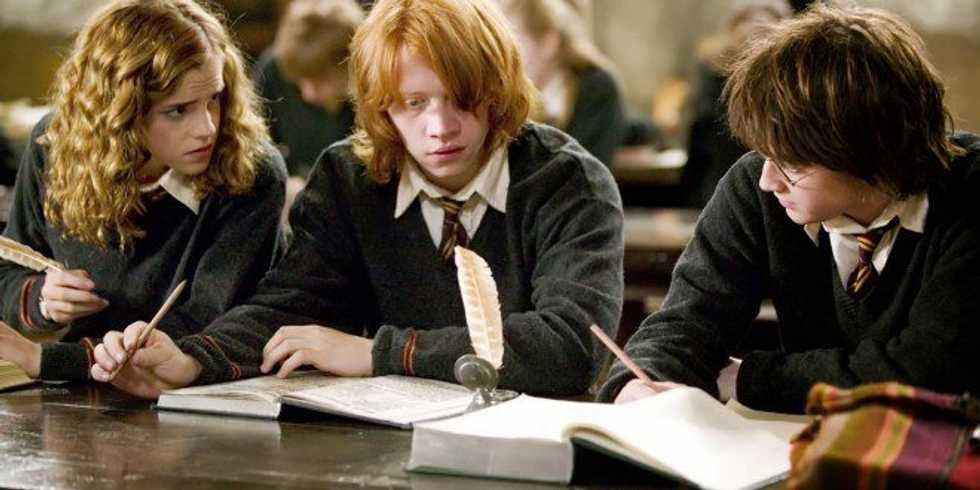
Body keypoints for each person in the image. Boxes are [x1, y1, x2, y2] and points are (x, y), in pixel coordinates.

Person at [90, 0, 624, 399]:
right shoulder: (350, 178)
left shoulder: (568, 181)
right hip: (389, 447)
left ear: (499, 90)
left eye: (462, 100)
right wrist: (192, 360)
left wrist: (378, 353)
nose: (440, 127)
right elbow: (291, 305)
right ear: (379, 106)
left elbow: (570, 346)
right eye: (413, 103)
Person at [599, 4, 980, 413]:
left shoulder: (970, 192)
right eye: (766, 154)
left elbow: (931, 371)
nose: (768, 180)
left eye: (793, 164)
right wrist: (637, 384)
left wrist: (747, 378)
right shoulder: (757, 186)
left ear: (870, 149)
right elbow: (687, 323)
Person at [0, 0, 286, 381]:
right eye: (178, 110)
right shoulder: (55, 145)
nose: (207, 128)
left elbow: (200, 330)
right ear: (121, 110)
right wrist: (42, 299)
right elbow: (9, 270)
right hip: (74, 393)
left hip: (183, 393)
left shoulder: (249, 171)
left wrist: (47, 360)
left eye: (214, 99)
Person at [252, 0, 363, 218]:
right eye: (299, 81)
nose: (307, 94)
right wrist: (280, 184)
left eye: (320, 79)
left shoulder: (376, 87)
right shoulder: (273, 71)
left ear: (351, 63)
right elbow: (256, 150)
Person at [677, 0, 791, 208]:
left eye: (765, 15)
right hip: (718, 175)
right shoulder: (713, 71)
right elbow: (700, 131)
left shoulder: (791, 75)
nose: (757, 24)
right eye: (747, 18)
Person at [499, 0, 626, 169]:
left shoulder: (596, 88)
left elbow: (584, 169)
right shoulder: (515, 92)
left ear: (549, 42)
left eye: (517, 42)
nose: (507, 56)